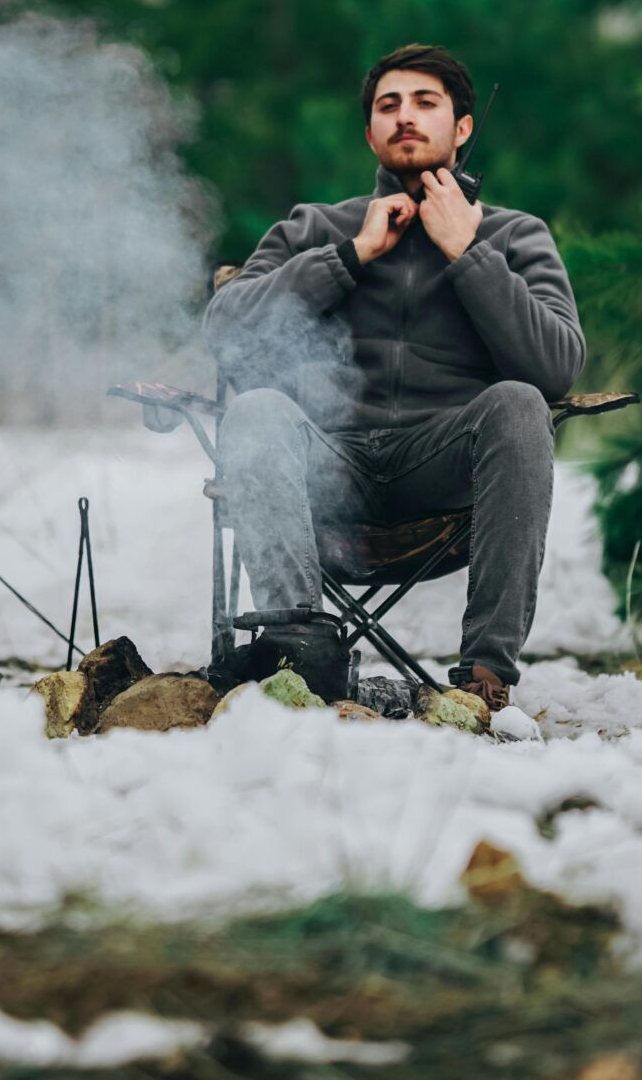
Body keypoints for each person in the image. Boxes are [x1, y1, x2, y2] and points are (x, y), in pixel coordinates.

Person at [202, 42, 584, 710]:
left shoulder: (517, 235)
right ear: (371, 131)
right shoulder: (316, 227)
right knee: (257, 408)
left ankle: (485, 677)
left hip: (445, 478)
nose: (405, 116)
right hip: (323, 470)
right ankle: (299, 652)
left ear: (463, 128)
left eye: (425, 103)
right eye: (389, 105)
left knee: (520, 403)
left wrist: (468, 251)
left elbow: (555, 367)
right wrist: (350, 256)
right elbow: (225, 330)